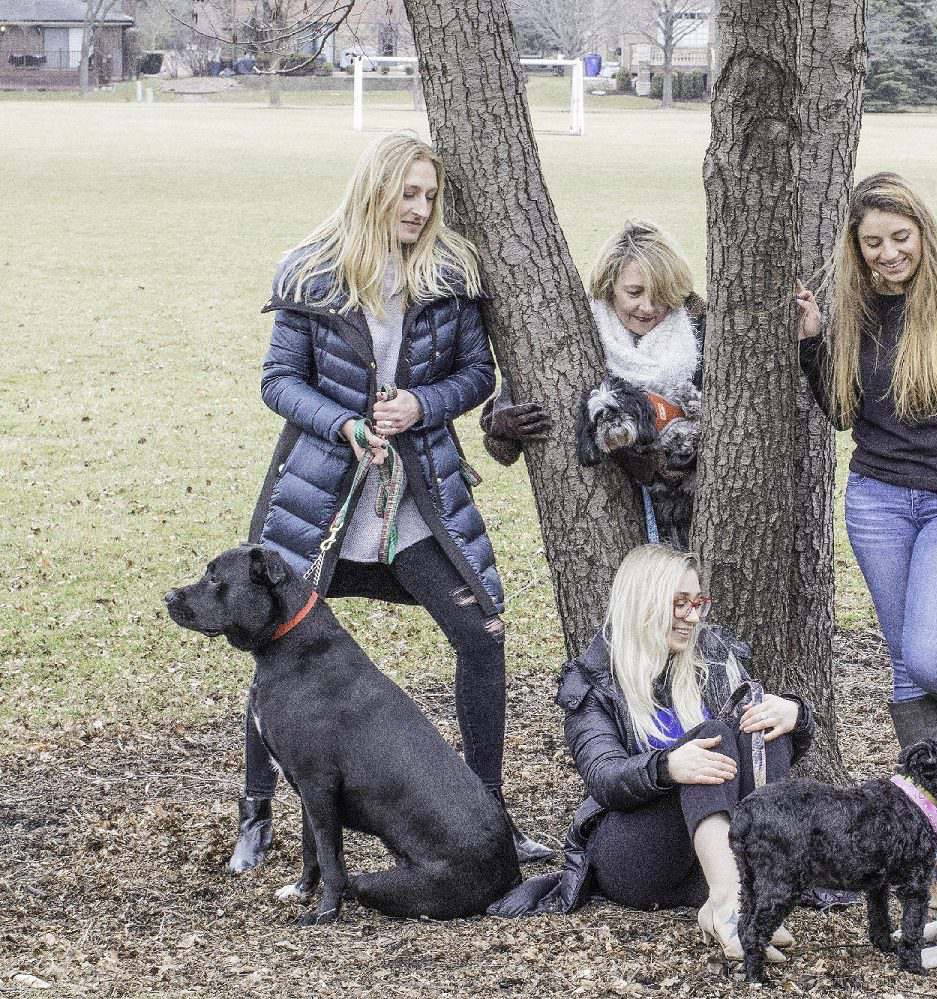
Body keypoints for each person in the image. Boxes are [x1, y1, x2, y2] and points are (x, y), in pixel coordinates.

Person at [236, 131, 552, 874]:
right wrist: (343, 423)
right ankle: (254, 810)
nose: (420, 208)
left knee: (482, 635)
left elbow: (477, 374)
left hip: (416, 501)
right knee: (272, 648)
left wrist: (420, 404)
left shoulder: (449, 274)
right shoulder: (312, 273)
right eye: (407, 193)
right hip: (323, 502)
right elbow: (278, 380)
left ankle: (486, 813)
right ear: (374, 189)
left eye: (429, 196)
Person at [793, 172, 937, 773]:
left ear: (923, 231)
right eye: (873, 242)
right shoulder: (857, 310)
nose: (888, 253)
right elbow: (842, 413)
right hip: (877, 502)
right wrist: (813, 344)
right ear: (856, 247)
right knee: (903, 661)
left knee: (929, 657)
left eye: (901, 236)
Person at [490, 545, 812, 961]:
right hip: (637, 857)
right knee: (712, 735)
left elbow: (758, 758)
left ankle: (741, 897)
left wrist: (795, 714)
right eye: (679, 604)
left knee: (761, 724)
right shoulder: (593, 681)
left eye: (697, 603)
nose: (692, 616)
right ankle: (732, 907)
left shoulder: (715, 656)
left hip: (709, 863)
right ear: (644, 602)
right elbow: (604, 779)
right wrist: (668, 766)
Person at [481, 219, 705, 488]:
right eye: (634, 292)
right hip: (611, 501)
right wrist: (501, 426)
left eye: (661, 294)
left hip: (686, 503)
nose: (648, 307)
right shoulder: (580, 330)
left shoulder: (698, 329)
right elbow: (503, 440)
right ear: (610, 286)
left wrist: (662, 464)